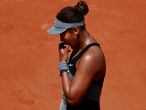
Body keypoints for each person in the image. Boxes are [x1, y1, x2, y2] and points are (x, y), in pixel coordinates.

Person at [48, 1, 106, 110]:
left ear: (75, 31)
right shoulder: (78, 48)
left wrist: (63, 64)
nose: (61, 39)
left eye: (62, 33)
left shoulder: (91, 57)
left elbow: (72, 99)